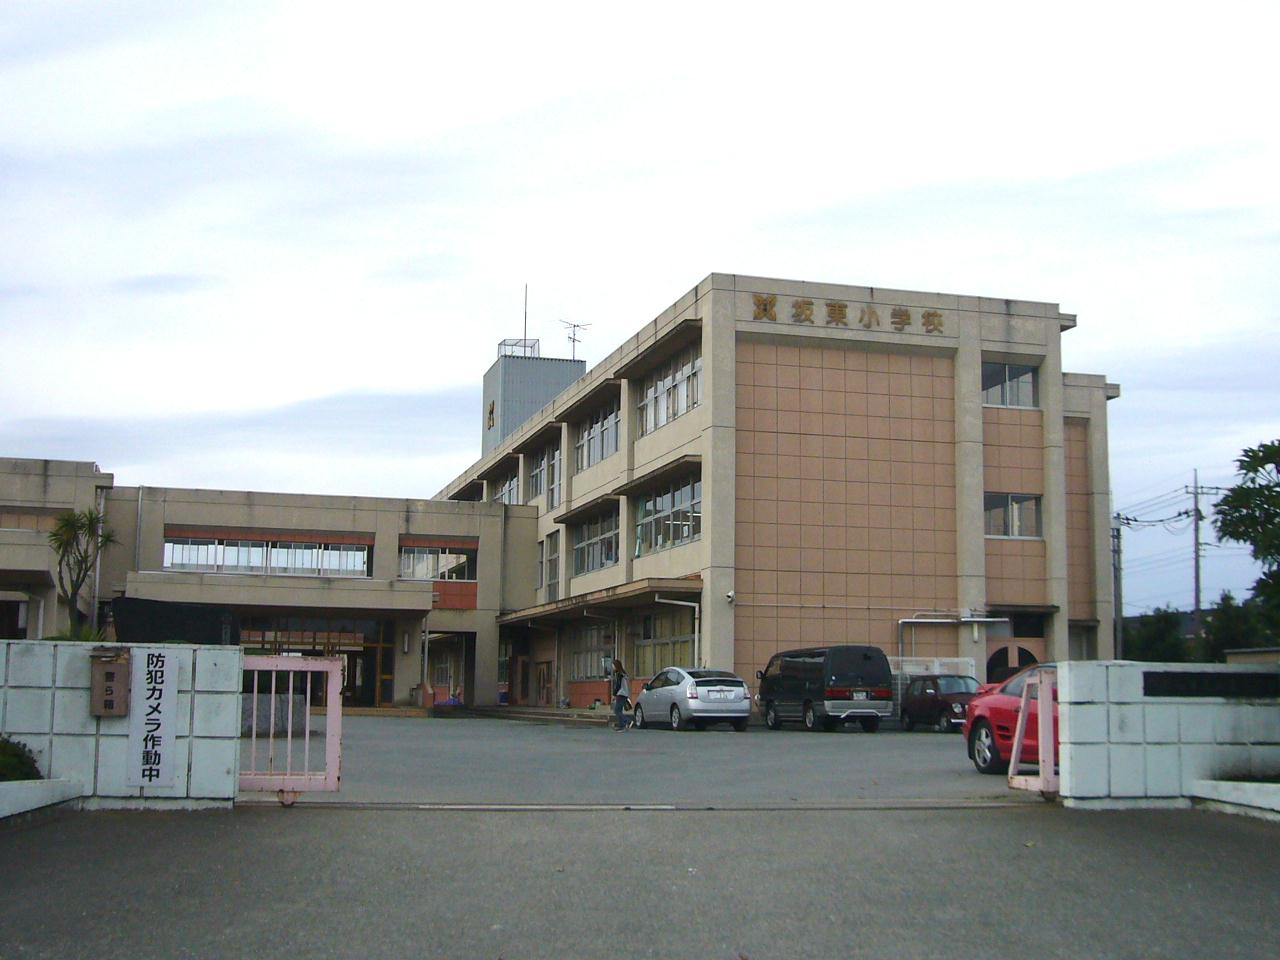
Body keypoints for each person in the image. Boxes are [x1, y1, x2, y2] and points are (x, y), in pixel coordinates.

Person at [610, 658, 633, 731]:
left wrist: (614, 694)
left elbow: (618, 685)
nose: (612, 667)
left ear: (616, 666)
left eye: (613, 665)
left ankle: (627, 721)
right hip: (624, 693)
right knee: (619, 710)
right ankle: (622, 726)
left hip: (621, 693)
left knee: (617, 710)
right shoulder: (623, 673)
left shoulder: (619, 674)